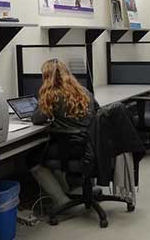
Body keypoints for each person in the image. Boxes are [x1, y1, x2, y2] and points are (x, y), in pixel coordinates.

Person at [29, 59, 99, 208]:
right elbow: (98, 112)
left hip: (72, 147)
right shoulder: (84, 91)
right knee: (50, 149)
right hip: (90, 145)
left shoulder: (52, 95)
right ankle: (66, 191)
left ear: (47, 78)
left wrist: (42, 101)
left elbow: (36, 119)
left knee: (34, 160)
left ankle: (62, 202)